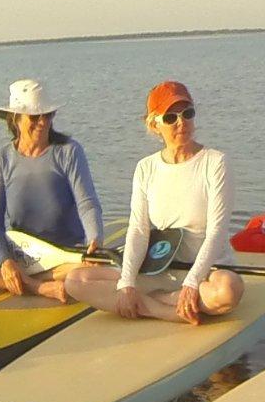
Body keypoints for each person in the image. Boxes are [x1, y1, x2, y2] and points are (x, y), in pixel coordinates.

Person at [65, 81, 242, 324]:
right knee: (75, 281)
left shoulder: (216, 163)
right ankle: (163, 309)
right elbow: (138, 230)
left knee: (229, 290)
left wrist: (192, 283)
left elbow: (217, 232)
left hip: (207, 274)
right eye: (171, 117)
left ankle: (156, 301)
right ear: (154, 124)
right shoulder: (145, 168)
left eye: (187, 113)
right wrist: (127, 282)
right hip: (161, 270)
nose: (181, 123)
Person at [0, 79, 103, 301]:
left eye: (47, 115)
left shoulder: (69, 152)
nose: (42, 122)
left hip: (64, 255)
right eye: (35, 117)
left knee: (87, 271)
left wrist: (95, 239)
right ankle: (36, 286)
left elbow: (87, 204)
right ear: (15, 119)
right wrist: (5, 260)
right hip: (20, 253)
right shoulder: (0, 160)